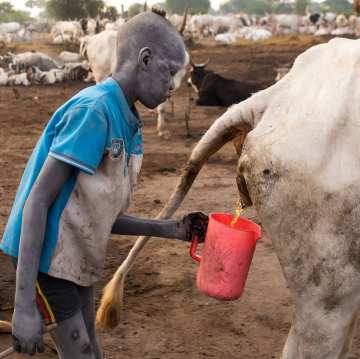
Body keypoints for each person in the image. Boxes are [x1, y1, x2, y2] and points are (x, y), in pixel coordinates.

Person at [0, 8, 207, 359]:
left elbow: (97, 214)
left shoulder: (128, 122)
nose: (173, 85)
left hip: (75, 259)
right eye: (170, 72)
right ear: (144, 59)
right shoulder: (94, 112)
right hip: (47, 262)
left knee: (91, 351)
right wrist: (23, 308)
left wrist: (173, 229)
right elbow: (36, 202)